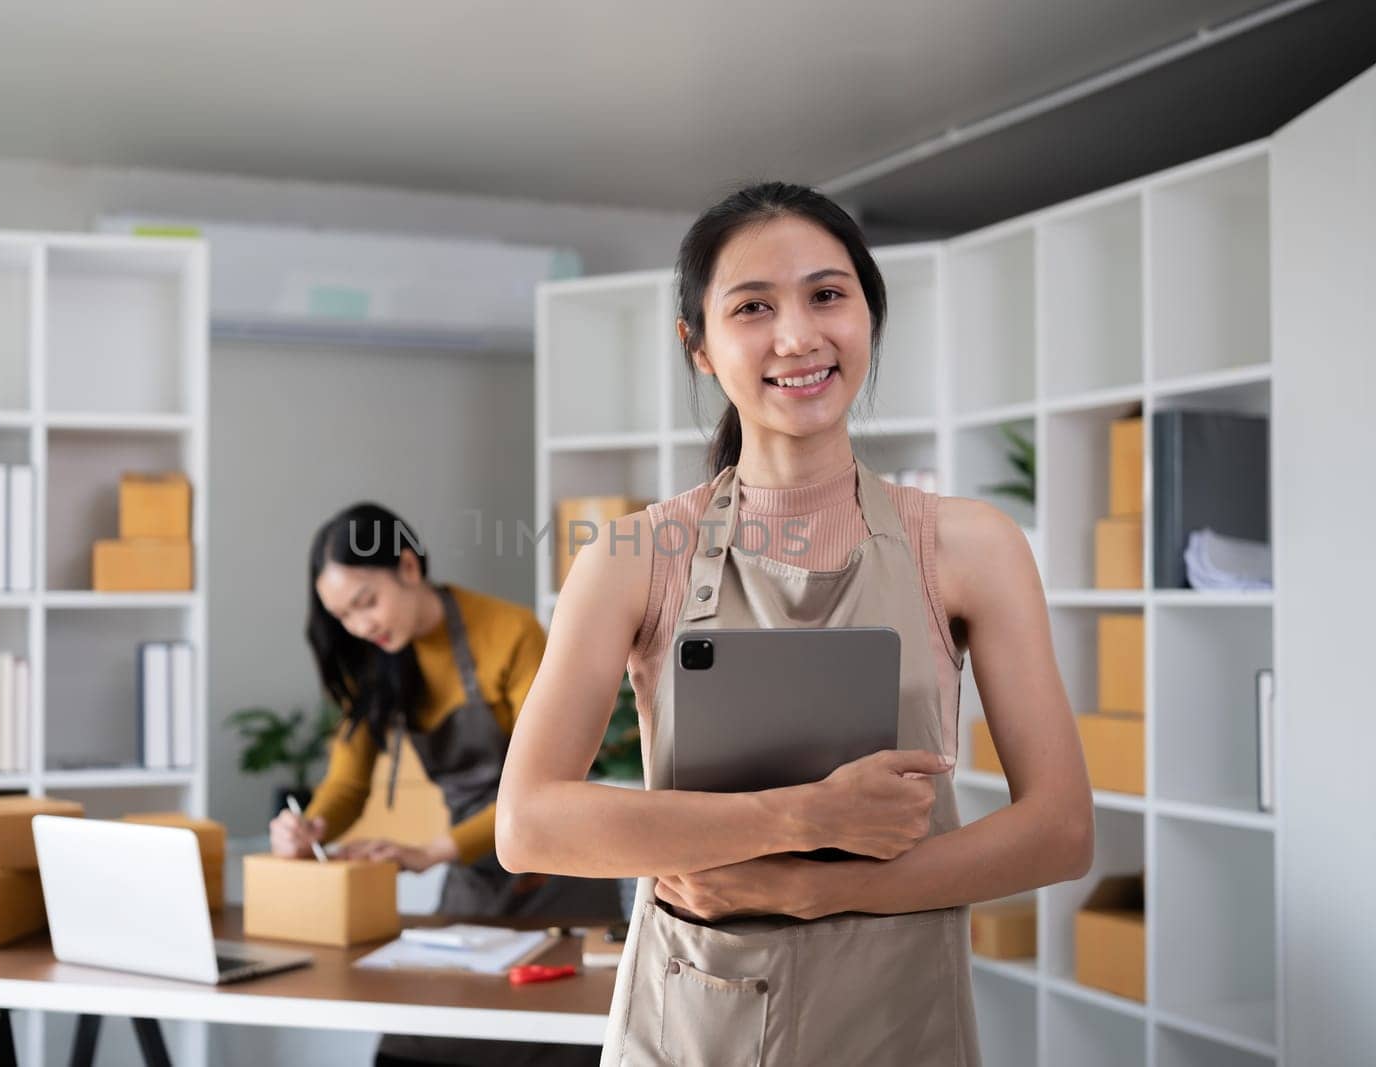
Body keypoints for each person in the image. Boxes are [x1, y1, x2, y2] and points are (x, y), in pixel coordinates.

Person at [495, 182, 1095, 1065]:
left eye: (827, 294)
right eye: (752, 307)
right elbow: (530, 824)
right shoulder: (631, 557)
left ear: (868, 316)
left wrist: (811, 890)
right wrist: (803, 815)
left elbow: (1060, 827)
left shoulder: (972, 547)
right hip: (694, 1020)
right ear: (696, 346)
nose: (798, 335)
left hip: (903, 1017)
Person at [270, 501, 617, 1067]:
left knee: (558, 1035)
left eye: (366, 603)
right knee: (422, 1039)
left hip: (561, 875)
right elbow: (349, 782)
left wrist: (433, 851)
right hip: (473, 877)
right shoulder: (376, 657)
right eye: (345, 617)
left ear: (409, 567)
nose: (361, 626)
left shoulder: (508, 632)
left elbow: (552, 777)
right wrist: (312, 825)